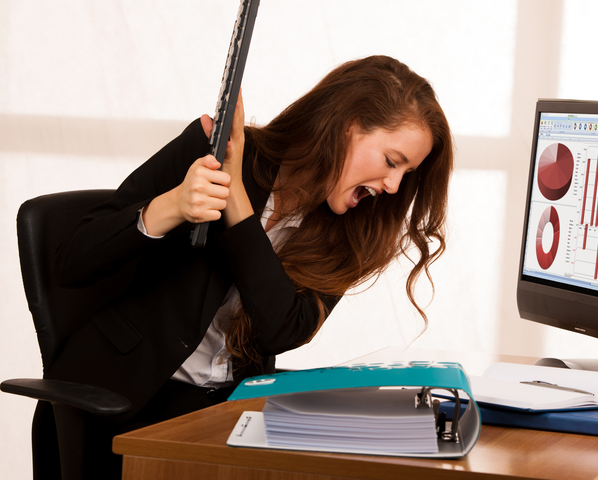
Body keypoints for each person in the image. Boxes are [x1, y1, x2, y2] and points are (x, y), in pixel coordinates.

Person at [44, 55, 453, 477]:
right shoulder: (214, 149)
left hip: (227, 412)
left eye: (407, 172)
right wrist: (171, 206)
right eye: (391, 161)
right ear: (347, 126)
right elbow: (72, 261)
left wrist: (236, 203)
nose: (393, 186)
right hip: (123, 401)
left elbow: (281, 329)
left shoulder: (352, 233)